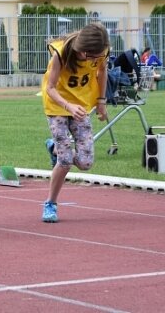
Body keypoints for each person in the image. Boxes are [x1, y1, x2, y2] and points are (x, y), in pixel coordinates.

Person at [41, 23, 110, 223]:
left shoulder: (100, 53)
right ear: (81, 49)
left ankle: (53, 147)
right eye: (89, 57)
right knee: (65, 161)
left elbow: (102, 72)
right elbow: (50, 88)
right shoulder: (61, 55)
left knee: (86, 163)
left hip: (81, 107)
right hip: (57, 106)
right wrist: (68, 106)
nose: (93, 61)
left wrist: (101, 101)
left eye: (96, 57)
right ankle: (51, 203)